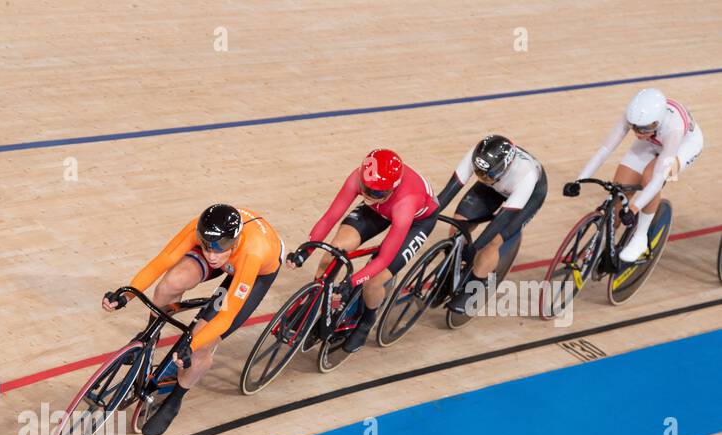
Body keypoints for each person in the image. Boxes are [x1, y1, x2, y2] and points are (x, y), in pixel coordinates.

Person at [103, 203, 282, 435]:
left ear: (235, 241)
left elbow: (226, 316)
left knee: (201, 344)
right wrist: (126, 294)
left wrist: (192, 345)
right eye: (206, 246)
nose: (212, 254)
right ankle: (149, 336)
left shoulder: (252, 252)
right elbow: (162, 262)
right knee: (170, 284)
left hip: (255, 273)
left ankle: (175, 399)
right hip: (231, 257)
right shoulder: (204, 232)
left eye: (220, 247)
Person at [293, 149, 440, 352]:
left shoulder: (405, 203)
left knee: (373, 280)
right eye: (365, 189)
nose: (368, 195)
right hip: (379, 210)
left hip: (416, 222)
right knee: (332, 253)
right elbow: (330, 217)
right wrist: (305, 251)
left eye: (377, 193)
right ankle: (314, 305)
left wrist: (351, 282)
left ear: (392, 189)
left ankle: (367, 320)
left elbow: (384, 258)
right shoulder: (363, 181)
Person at [565, 88, 703, 262]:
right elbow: (605, 150)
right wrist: (579, 180)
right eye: (634, 128)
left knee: (650, 177)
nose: (638, 134)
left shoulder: (673, 129)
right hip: (653, 141)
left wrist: (633, 209)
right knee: (618, 191)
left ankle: (641, 237)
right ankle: (601, 244)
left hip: (684, 146)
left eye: (644, 129)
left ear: (656, 122)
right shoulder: (634, 117)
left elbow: (658, 178)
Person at [436, 134, 547, 314]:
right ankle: (451, 273)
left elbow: (501, 221)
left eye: (485, 174)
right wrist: (427, 216)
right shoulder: (480, 157)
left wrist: (473, 252)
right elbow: (449, 190)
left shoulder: (526, 175)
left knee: (492, 242)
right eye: (478, 172)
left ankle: (476, 285)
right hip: (494, 185)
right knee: (458, 223)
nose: (480, 176)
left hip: (527, 195)